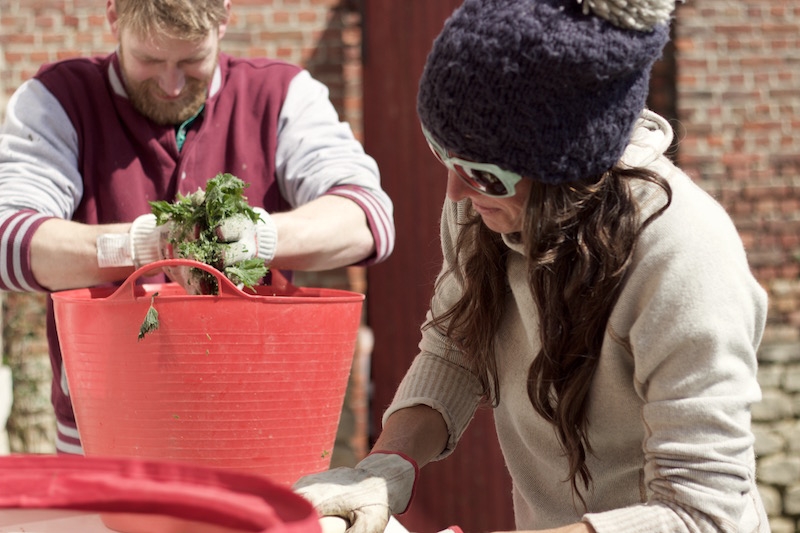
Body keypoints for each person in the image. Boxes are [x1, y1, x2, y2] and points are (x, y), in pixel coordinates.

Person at [293, 0, 770, 532]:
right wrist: (385, 466)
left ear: (566, 169)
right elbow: (456, 347)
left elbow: (702, 512)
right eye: (443, 152)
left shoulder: (684, 255)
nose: (455, 189)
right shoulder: (485, 207)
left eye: (482, 172)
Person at [0, 0, 394, 455]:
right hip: (106, 437)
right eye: (149, 59)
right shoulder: (57, 100)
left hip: (253, 432)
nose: (170, 84)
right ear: (113, 17)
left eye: (191, 60)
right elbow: (10, 239)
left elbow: (368, 218)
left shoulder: (281, 95)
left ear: (223, 18)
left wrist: (258, 237)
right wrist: (144, 244)